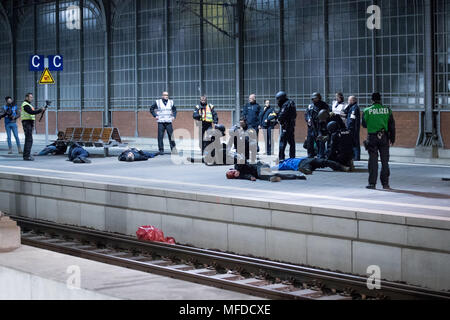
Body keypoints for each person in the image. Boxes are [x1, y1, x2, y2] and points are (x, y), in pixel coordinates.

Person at [362, 93, 396, 190]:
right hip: (384, 137)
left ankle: (372, 183)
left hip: (372, 137)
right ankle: (385, 184)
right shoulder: (387, 110)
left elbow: (364, 124)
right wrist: (392, 139)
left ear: (371, 100)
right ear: (380, 99)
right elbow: (392, 126)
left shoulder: (367, 110)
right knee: (385, 161)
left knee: (373, 161)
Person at [226, 161, 306, 182]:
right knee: (279, 175)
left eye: (231, 172)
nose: (233, 173)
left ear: (231, 169)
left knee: (261, 174)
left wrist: (239, 170)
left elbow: (244, 162)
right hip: (262, 173)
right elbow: (246, 176)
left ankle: (271, 178)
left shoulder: (237, 166)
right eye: (232, 175)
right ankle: (297, 176)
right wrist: (251, 178)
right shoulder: (239, 176)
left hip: (261, 166)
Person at [21, 93, 45, 161]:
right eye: (30, 97)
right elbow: (31, 112)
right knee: (29, 140)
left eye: (32, 97)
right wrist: (40, 110)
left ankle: (26, 155)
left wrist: (40, 109)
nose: (32, 98)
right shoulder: (25, 105)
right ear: (26, 97)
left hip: (29, 122)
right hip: (27, 122)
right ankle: (26, 156)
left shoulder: (29, 105)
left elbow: (33, 111)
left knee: (28, 139)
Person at [305, 93, 330, 158]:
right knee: (310, 141)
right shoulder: (310, 106)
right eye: (313, 98)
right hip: (311, 126)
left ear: (319, 98)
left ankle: (321, 155)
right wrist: (308, 119)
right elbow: (306, 114)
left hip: (320, 126)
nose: (314, 99)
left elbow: (327, 115)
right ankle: (310, 155)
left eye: (315, 98)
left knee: (320, 141)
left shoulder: (324, 105)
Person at [276, 91, 297, 161]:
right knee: (291, 142)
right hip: (289, 125)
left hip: (286, 126)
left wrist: (278, 119)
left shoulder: (286, 104)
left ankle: (281, 158)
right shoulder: (289, 103)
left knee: (283, 142)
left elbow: (282, 114)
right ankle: (292, 157)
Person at [274, 157, 350, 175]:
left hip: (305, 161)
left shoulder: (289, 159)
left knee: (324, 161)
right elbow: (273, 168)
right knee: (324, 162)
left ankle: (341, 167)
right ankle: (307, 170)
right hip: (302, 163)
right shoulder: (282, 165)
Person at [345, 96, 361, 161]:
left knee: (355, 142)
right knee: (352, 142)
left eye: (349, 100)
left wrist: (349, 128)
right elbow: (345, 111)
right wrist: (348, 105)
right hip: (351, 128)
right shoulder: (351, 107)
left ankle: (356, 157)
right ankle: (354, 156)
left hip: (353, 128)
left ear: (353, 101)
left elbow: (352, 119)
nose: (348, 102)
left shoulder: (354, 108)